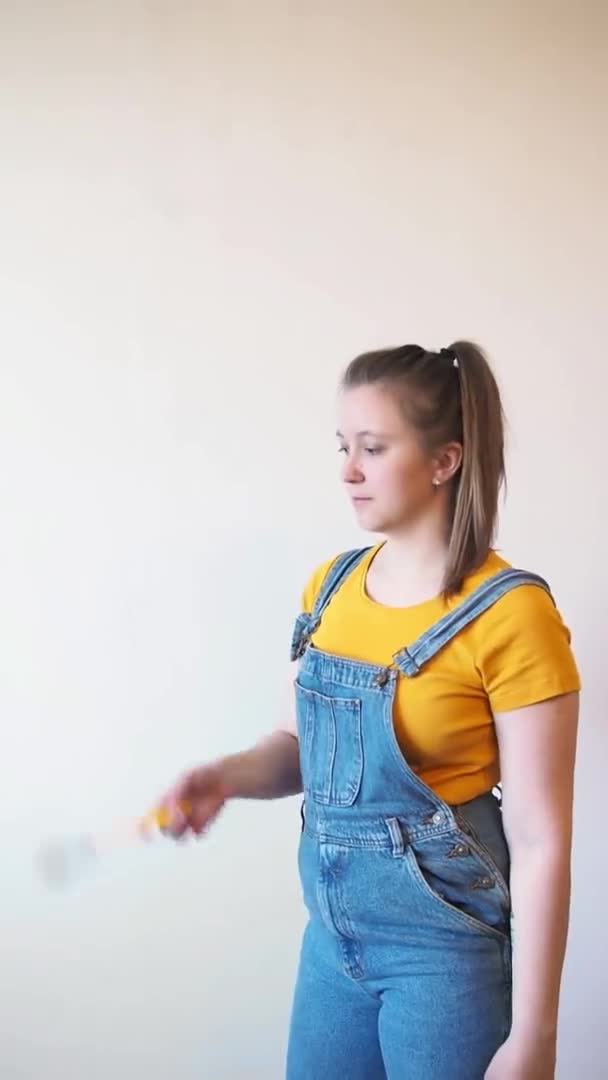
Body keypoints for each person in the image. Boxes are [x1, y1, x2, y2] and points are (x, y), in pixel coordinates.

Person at [158, 341, 580, 1080]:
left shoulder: (513, 614)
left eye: (373, 448)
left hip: (443, 954)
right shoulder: (331, 588)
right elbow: (301, 746)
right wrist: (222, 776)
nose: (347, 471)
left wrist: (535, 1035)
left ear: (445, 460)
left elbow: (542, 839)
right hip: (331, 944)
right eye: (343, 447)